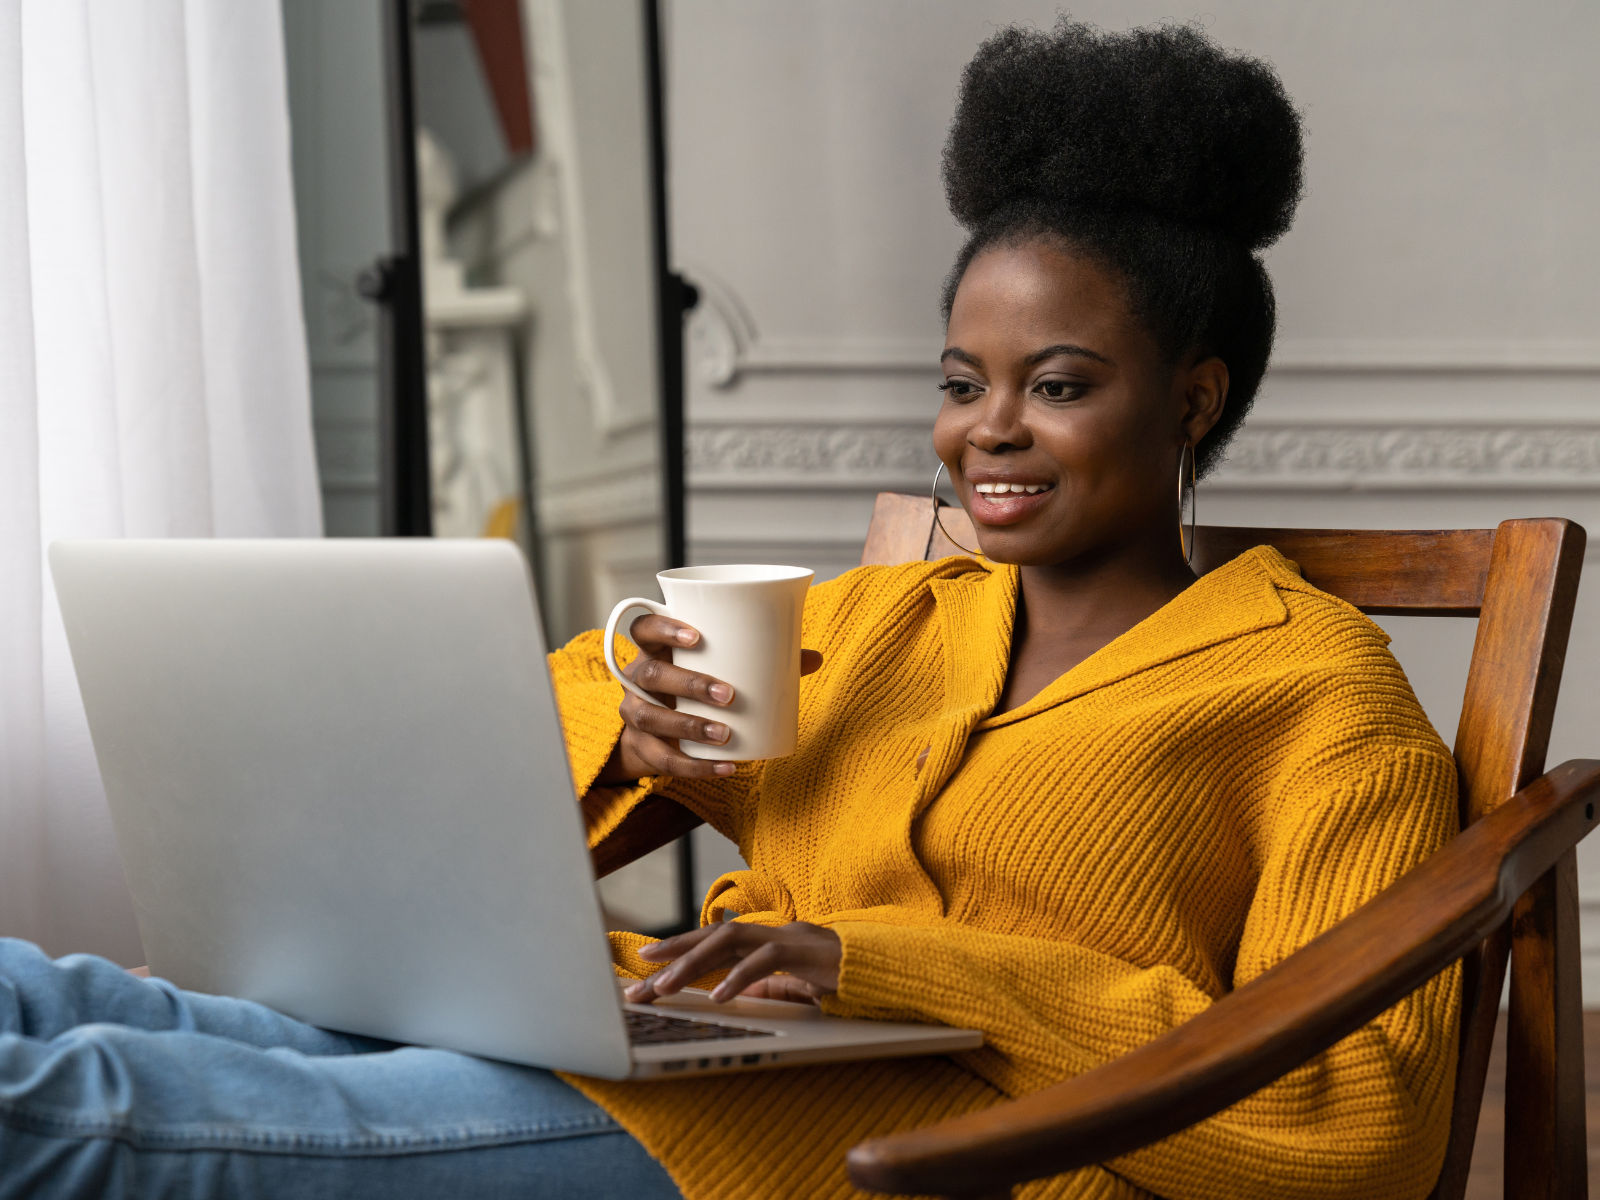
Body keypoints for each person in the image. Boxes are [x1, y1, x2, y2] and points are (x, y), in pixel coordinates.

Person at [0, 19, 1459, 1200]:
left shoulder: (1323, 700)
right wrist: (635, 729)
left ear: (1193, 397)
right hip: (670, 1042)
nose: (987, 431)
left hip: (896, 1150)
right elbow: (542, 718)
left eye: (1059, 385)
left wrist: (874, 963)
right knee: (37, 995)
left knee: (85, 1114)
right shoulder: (896, 619)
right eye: (962, 384)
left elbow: (1359, 1126)